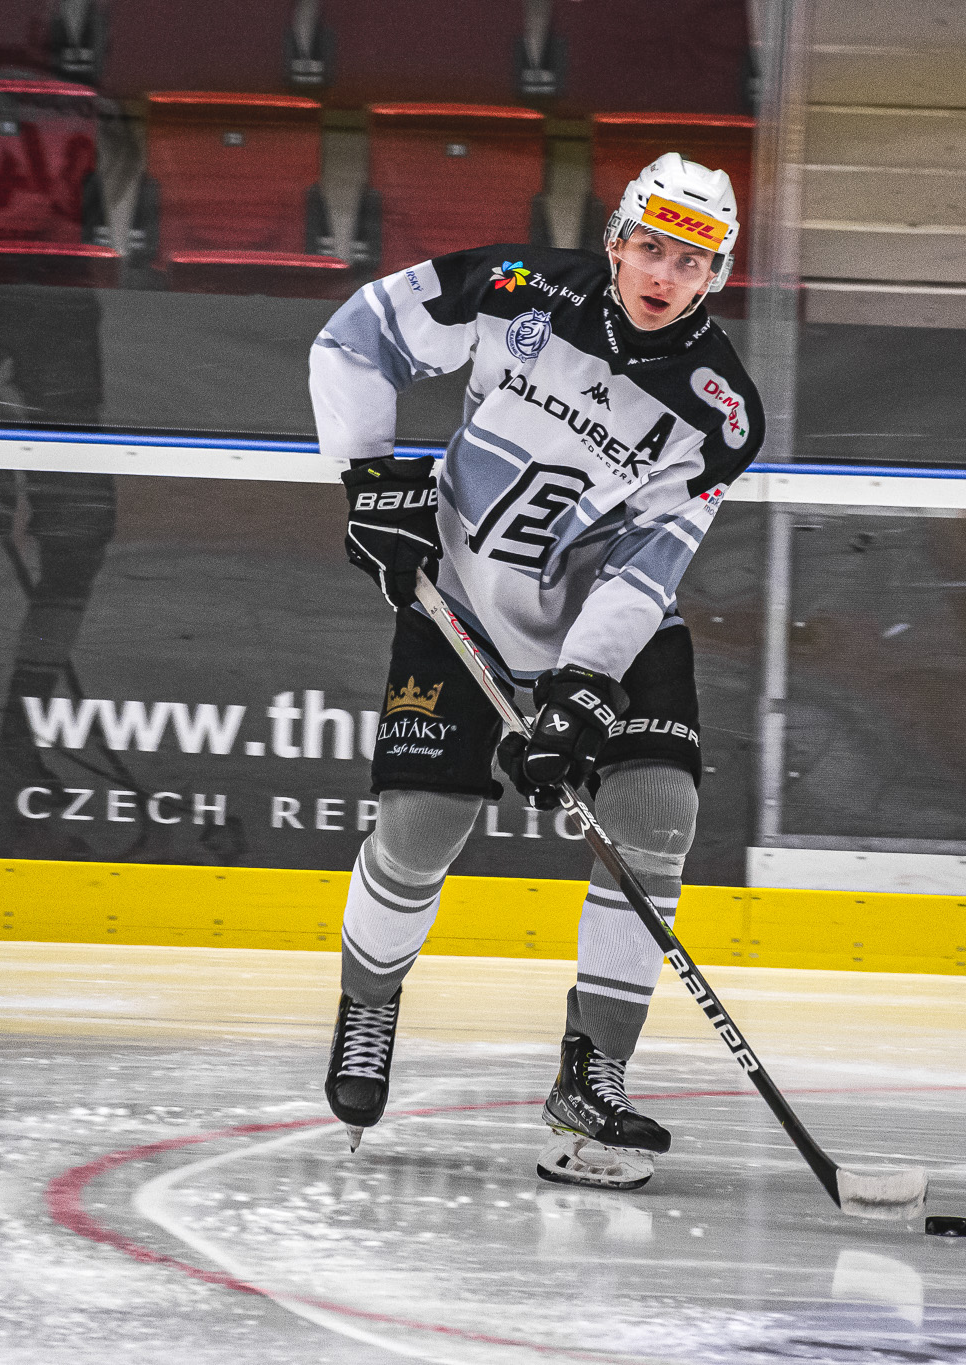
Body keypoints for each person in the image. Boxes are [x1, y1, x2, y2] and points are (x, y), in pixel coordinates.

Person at [309, 153, 764, 1191]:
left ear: (716, 275)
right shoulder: (517, 287)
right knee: (419, 830)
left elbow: (649, 561)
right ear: (616, 241)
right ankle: (367, 1008)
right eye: (650, 247)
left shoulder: (720, 410)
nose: (663, 274)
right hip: (461, 599)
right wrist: (369, 477)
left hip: (612, 624)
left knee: (655, 817)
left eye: (690, 261)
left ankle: (591, 1077)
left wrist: (582, 687)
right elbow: (356, 338)